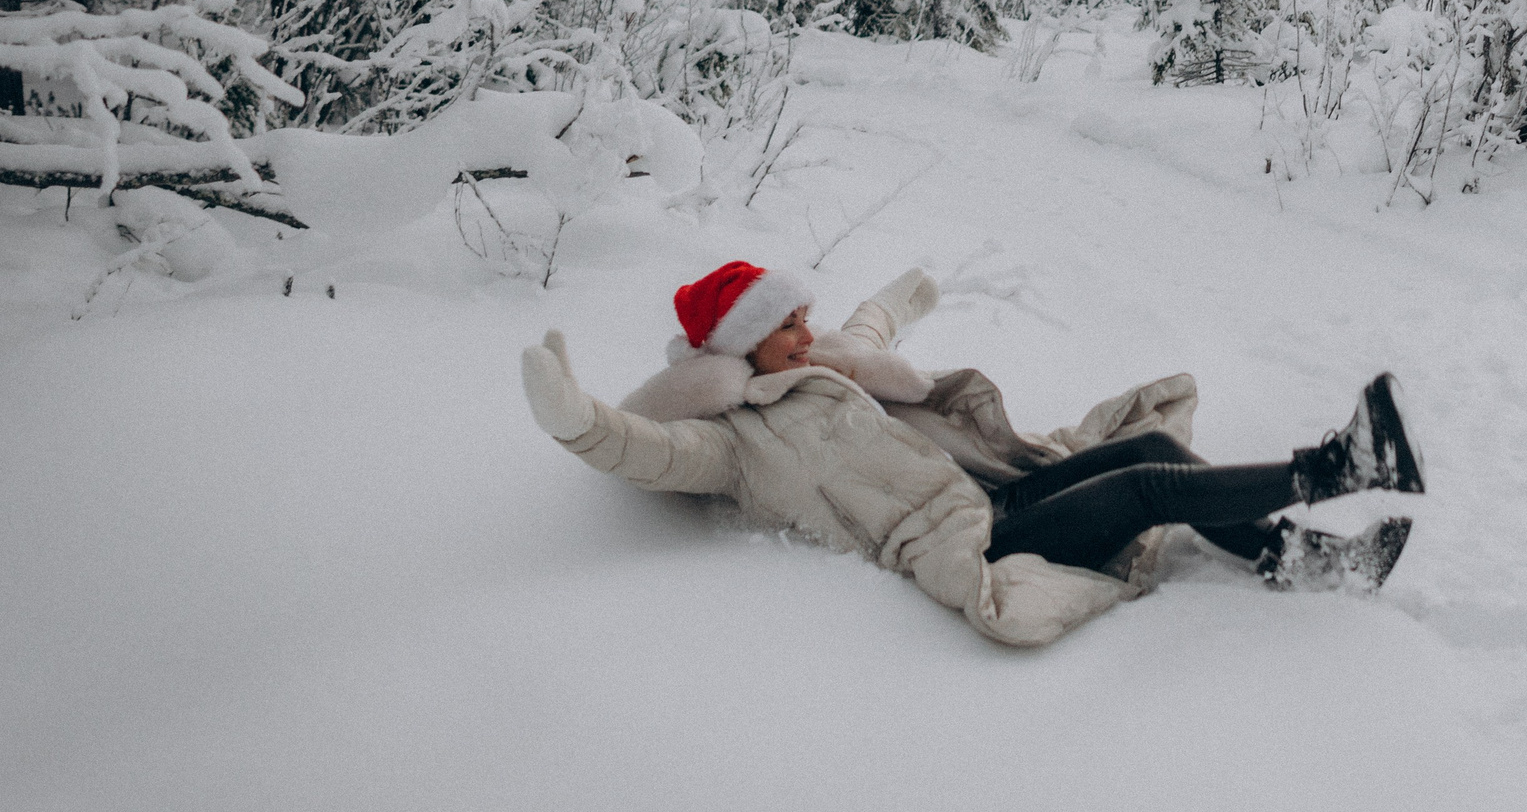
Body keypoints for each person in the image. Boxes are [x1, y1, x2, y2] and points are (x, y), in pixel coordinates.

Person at [519, 261, 1424, 649]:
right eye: (786, 324)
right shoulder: (735, 445)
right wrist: (576, 420)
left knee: (1146, 443)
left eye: (802, 317)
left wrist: (901, 297)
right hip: (979, 536)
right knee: (1151, 485)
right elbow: (649, 452)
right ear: (737, 346)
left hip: (1002, 487)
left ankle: (1305, 561)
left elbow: (867, 329)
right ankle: (1340, 468)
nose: (806, 332)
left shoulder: (824, 362)